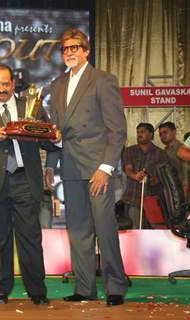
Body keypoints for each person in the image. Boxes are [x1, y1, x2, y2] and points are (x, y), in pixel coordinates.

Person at [45, 28, 129, 306]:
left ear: (86, 50)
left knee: (104, 228)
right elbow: (57, 131)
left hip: (97, 169)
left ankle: (115, 286)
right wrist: (51, 163)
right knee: (78, 230)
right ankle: (85, 289)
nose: (70, 52)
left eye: (75, 47)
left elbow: (117, 131)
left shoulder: (103, 80)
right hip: (69, 166)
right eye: (65, 48)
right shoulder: (56, 85)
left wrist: (105, 168)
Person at [0, 64, 60, 305]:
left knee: (30, 238)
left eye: (5, 84)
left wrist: (57, 138)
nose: (1, 89)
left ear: (12, 84)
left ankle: (37, 292)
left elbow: (48, 142)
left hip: (24, 180)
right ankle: (0, 291)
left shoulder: (32, 106)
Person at [122, 123, 169, 228]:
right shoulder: (129, 151)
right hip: (133, 197)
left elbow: (164, 176)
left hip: (152, 197)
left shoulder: (160, 153)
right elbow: (128, 169)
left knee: (156, 227)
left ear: (151, 135)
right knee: (135, 227)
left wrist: (154, 179)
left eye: (142, 132)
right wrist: (136, 176)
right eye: (138, 132)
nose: (139, 134)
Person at [159, 122, 189, 197]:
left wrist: (185, 186)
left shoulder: (182, 149)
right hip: (171, 190)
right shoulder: (164, 151)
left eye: (165, 132)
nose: (162, 136)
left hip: (184, 189)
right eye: (160, 134)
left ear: (174, 132)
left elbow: (186, 169)